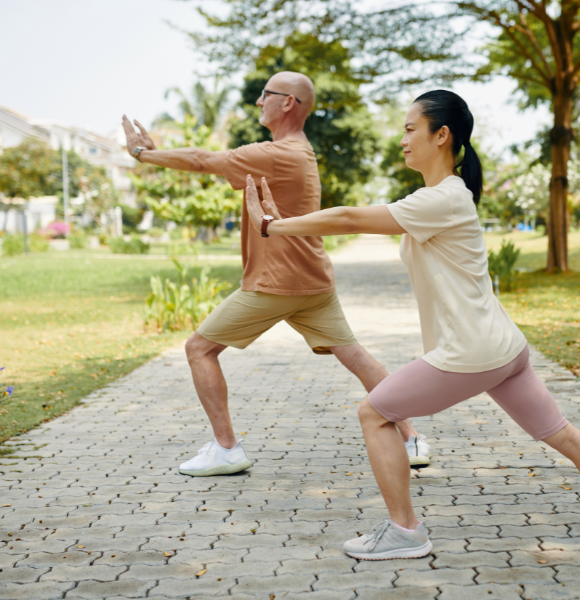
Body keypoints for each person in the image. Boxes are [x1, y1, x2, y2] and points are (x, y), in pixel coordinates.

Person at [243, 89, 580, 559]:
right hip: (504, 347)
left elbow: (348, 218)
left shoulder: (442, 199)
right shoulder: (444, 196)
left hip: (472, 353)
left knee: (374, 413)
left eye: (409, 129)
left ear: (441, 136)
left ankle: (405, 532)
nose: (401, 139)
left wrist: (271, 227)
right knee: (561, 432)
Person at [120, 71, 432, 477]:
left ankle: (226, 448)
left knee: (199, 349)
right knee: (354, 355)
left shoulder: (277, 152)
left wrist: (143, 154)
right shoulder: (299, 151)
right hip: (313, 282)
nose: (257, 102)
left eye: (265, 94)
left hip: (276, 283)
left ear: (288, 103)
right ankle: (411, 439)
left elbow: (202, 160)